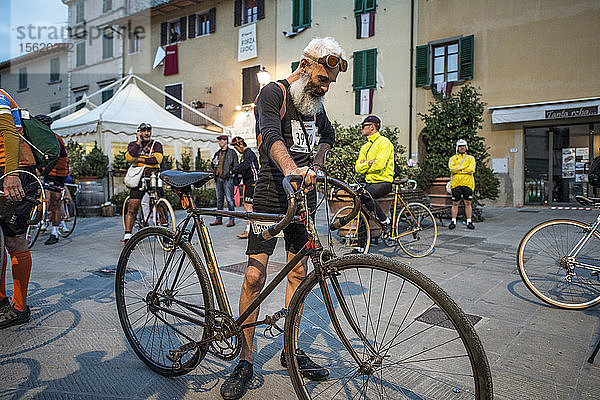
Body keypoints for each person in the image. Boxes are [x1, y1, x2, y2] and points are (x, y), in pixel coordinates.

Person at [219, 37, 345, 400]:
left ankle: (290, 349)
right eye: (322, 78)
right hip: (271, 194)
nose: (325, 87)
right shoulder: (274, 93)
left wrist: (316, 167)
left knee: (299, 273)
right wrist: (291, 169)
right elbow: (271, 135)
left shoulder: (315, 104)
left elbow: (329, 136)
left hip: (302, 198)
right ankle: (245, 357)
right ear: (306, 66)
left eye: (330, 83)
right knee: (255, 276)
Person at [0, 89, 38, 328]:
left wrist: (10, 175)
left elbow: (9, 134)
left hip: (14, 173)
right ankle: (1, 299)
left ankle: (20, 307)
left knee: (14, 240)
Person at [354, 115, 394, 252]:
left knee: (365, 195)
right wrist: (368, 164)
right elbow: (357, 168)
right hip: (370, 183)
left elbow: (379, 165)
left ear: (372, 127)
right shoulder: (365, 146)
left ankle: (384, 220)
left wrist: (365, 164)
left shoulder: (384, 142)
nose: (361, 128)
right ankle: (361, 246)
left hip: (384, 182)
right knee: (361, 207)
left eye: (364, 126)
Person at [123, 123, 164, 243]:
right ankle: (128, 236)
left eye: (149, 130)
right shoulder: (133, 145)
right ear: (139, 132)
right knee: (132, 207)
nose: (147, 133)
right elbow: (129, 157)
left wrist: (139, 159)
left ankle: (166, 231)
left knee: (161, 204)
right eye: (144, 131)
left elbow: (157, 159)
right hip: (139, 179)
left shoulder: (156, 144)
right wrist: (137, 144)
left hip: (154, 177)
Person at [34, 115, 69, 245]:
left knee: (55, 201)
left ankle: (54, 231)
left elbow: (54, 158)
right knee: (45, 198)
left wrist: (42, 172)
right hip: (47, 171)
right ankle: (42, 221)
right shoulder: (39, 138)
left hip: (59, 173)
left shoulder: (55, 139)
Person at [231, 137, 258, 239]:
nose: (236, 149)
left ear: (240, 145)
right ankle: (251, 228)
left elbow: (244, 166)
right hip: (248, 182)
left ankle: (249, 230)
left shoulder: (248, 153)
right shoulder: (244, 155)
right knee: (248, 206)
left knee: (249, 206)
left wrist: (233, 171)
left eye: (236, 147)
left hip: (253, 182)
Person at [211, 135, 238, 227]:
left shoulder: (232, 152)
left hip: (227, 179)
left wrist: (231, 173)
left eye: (221, 141)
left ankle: (232, 219)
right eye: (219, 141)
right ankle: (219, 219)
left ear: (226, 141)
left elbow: (236, 165)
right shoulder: (217, 153)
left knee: (230, 200)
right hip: (218, 178)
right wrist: (213, 163)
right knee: (219, 200)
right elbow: (213, 164)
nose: (219, 142)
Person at [448, 139, 476, 230]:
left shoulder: (471, 158)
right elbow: (452, 169)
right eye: (460, 146)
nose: (462, 148)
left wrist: (458, 169)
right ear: (457, 148)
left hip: (468, 184)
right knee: (455, 203)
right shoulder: (453, 158)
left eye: (463, 146)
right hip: (456, 184)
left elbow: (471, 169)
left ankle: (469, 222)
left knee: (468, 203)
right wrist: (464, 169)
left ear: (466, 147)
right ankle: (453, 221)